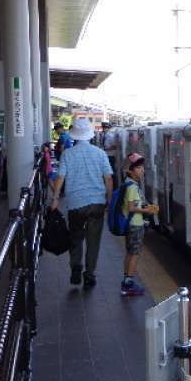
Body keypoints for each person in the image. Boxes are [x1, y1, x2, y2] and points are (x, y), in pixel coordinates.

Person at [50, 118, 113, 288]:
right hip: (97, 203)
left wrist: (55, 199)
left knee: (76, 237)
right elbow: (108, 178)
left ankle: (76, 269)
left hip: (75, 204)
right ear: (90, 136)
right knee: (94, 241)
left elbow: (60, 178)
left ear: (75, 136)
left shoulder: (67, 154)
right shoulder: (100, 153)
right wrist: (109, 200)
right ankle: (90, 274)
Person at [120, 153, 159, 296]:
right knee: (134, 254)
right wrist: (147, 210)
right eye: (138, 168)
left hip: (132, 224)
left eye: (142, 167)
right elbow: (131, 208)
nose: (142, 170)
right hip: (135, 225)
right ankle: (128, 284)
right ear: (130, 170)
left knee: (130, 253)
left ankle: (126, 280)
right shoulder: (131, 187)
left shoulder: (129, 183)